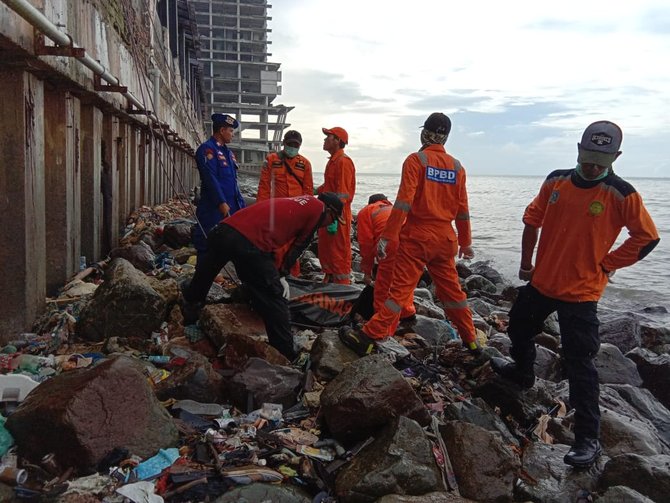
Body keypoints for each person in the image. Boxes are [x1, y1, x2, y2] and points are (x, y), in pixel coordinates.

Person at [490, 121, 659, 468]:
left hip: (581, 293)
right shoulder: (556, 181)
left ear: (616, 157)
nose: (593, 165)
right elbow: (531, 219)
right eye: (588, 157)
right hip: (542, 283)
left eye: (602, 159)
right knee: (518, 329)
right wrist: (525, 263)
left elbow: (647, 237)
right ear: (578, 149)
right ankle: (523, 371)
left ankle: (588, 438)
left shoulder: (621, 193)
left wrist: (608, 264)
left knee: (580, 364)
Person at [339, 113, 479, 356]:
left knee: (398, 293)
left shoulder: (416, 161)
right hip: (446, 240)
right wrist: (466, 243)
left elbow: (404, 202)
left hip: (418, 239)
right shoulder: (457, 167)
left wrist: (387, 236)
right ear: (446, 137)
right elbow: (463, 210)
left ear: (424, 133)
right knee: (453, 293)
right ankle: (472, 341)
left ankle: (371, 335)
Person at [182, 193, 345, 360]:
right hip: (248, 243)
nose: (330, 224)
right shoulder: (318, 211)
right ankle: (284, 351)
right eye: (333, 219)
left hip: (222, 231)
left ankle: (189, 306)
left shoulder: (300, 202)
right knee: (274, 295)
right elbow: (297, 247)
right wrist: (281, 275)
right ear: (329, 210)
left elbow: (277, 241)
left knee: (206, 274)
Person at [257, 130, 314, 277]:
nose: (292, 147)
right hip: (277, 210)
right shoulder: (271, 160)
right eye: (290, 144)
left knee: (294, 245)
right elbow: (264, 186)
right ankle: (274, 273)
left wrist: (309, 215)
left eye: (295, 145)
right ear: (284, 143)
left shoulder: (305, 164)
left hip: (297, 212)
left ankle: (292, 275)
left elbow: (308, 191)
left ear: (299, 146)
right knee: (275, 243)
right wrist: (261, 209)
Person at [193, 113, 246, 261]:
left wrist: (240, 205)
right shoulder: (207, 150)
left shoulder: (228, 153)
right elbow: (210, 179)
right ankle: (203, 276)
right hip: (213, 207)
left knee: (230, 241)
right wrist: (221, 202)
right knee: (206, 239)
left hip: (232, 205)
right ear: (222, 130)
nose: (232, 135)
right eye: (231, 131)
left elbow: (233, 183)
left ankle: (221, 272)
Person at [356, 194, 416, 324]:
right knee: (404, 280)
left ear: (370, 203)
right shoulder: (394, 208)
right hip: (413, 243)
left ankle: (380, 320)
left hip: (391, 243)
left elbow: (366, 244)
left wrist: (367, 271)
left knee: (383, 285)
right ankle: (407, 314)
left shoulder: (367, 211)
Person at [316, 127, 356, 284]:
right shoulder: (333, 161)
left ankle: (342, 290)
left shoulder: (343, 162)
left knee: (338, 253)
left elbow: (343, 195)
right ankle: (329, 280)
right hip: (328, 214)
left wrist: (334, 218)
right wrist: (313, 191)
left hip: (337, 216)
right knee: (327, 250)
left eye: (328, 137)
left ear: (338, 141)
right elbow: (330, 186)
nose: (325, 140)